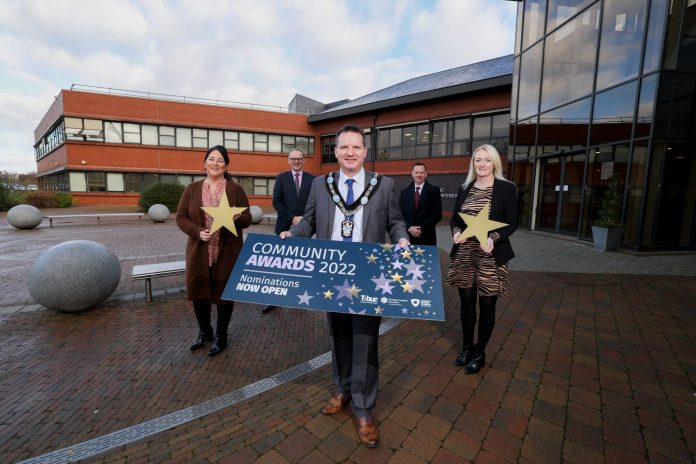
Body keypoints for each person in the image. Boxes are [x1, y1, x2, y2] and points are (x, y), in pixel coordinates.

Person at [280, 124, 409, 448]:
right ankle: (343, 389)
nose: (350, 152)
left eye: (356, 147)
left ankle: (364, 408)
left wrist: (402, 238)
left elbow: (394, 221)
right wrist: (293, 235)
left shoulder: (385, 185)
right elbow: (308, 220)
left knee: (364, 340)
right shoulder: (321, 185)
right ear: (335, 152)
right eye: (344, 147)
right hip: (330, 275)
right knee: (338, 336)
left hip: (369, 277)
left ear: (365, 152)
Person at [446, 144, 517, 374]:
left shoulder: (506, 188)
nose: (482, 164)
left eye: (487, 160)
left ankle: (480, 352)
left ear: (494, 162)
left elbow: (512, 223)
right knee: (466, 303)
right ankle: (467, 348)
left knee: (487, 304)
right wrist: (456, 232)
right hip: (465, 254)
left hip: (490, 254)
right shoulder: (465, 187)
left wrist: (495, 236)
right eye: (478, 160)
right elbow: (455, 219)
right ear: (473, 163)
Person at [176, 145, 252, 357]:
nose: (216, 164)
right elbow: (181, 218)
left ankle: (221, 336)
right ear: (205, 162)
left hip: (227, 251)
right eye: (212, 159)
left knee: (224, 295)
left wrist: (237, 218)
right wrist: (197, 231)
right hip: (200, 251)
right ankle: (204, 332)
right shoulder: (192, 189)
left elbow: (248, 219)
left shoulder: (235, 190)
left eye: (220, 160)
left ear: (226, 165)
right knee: (199, 293)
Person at [262, 148, 315, 314]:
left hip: (305, 228)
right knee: (279, 265)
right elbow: (276, 201)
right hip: (284, 226)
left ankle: (300, 297)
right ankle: (273, 299)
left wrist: (303, 219)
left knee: (302, 264)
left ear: (303, 160)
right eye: (293, 159)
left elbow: (314, 203)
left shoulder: (313, 180)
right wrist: (292, 217)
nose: (296, 162)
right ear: (288, 160)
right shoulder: (281, 178)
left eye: (299, 159)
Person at [399, 162, 442, 246]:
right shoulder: (404, 192)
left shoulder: (434, 191)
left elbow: (437, 215)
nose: (419, 175)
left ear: (426, 174)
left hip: (427, 237)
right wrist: (409, 227)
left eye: (421, 172)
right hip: (407, 238)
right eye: (416, 172)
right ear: (412, 174)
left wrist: (421, 228)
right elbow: (400, 214)